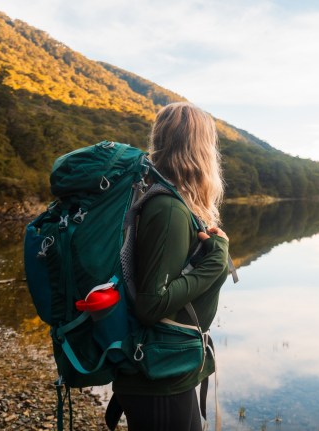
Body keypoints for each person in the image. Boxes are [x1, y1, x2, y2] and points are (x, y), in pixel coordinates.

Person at [112, 102, 230, 431]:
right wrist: (215, 262)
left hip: (170, 367)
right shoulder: (168, 210)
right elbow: (151, 304)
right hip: (157, 375)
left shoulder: (170, 202)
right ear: (201, 150)